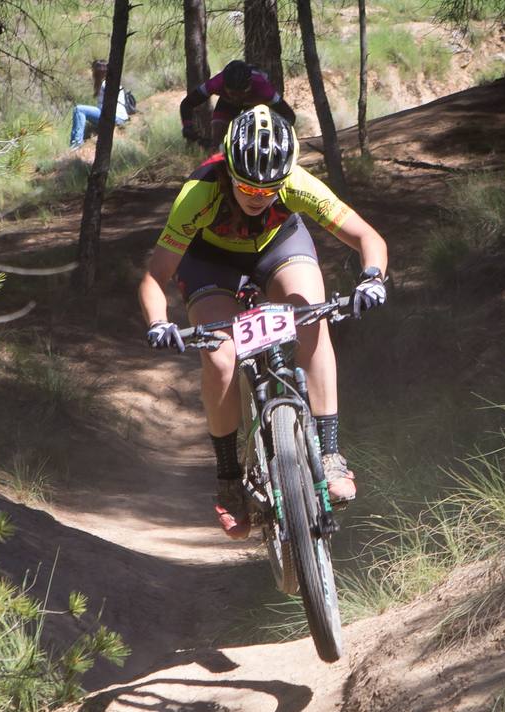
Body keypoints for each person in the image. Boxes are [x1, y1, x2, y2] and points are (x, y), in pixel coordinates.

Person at [139, 105, 388, 541]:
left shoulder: (295, 182)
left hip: (278, 247)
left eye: (269, 189)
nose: (257, 197)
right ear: (228, 171)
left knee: (314, 316)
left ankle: (329, 454)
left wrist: (372, 279)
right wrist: (159, 322)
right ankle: (229, 477)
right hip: (210, 262)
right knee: (219, 358)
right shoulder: (198, 193)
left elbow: (368, 237)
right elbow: (154, 276)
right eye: (246, 187)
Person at [180, 59, 296, 149]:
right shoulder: (216, 83)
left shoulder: (262, 87)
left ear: (250, 85)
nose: (237, 98)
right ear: (224, 86)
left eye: (242, 93)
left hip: (255, 104)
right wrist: (187, 126)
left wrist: (277, 135)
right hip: (227, 104)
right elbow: (187, 104)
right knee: (217, 143)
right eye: (233, 93)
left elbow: (289, 115)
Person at [69, 59, 129, 150]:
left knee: (79, 109)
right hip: (120, 117)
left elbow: (110, 103)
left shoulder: (106, 84)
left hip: (114, 117)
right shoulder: (112, 82)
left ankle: (76, 142)